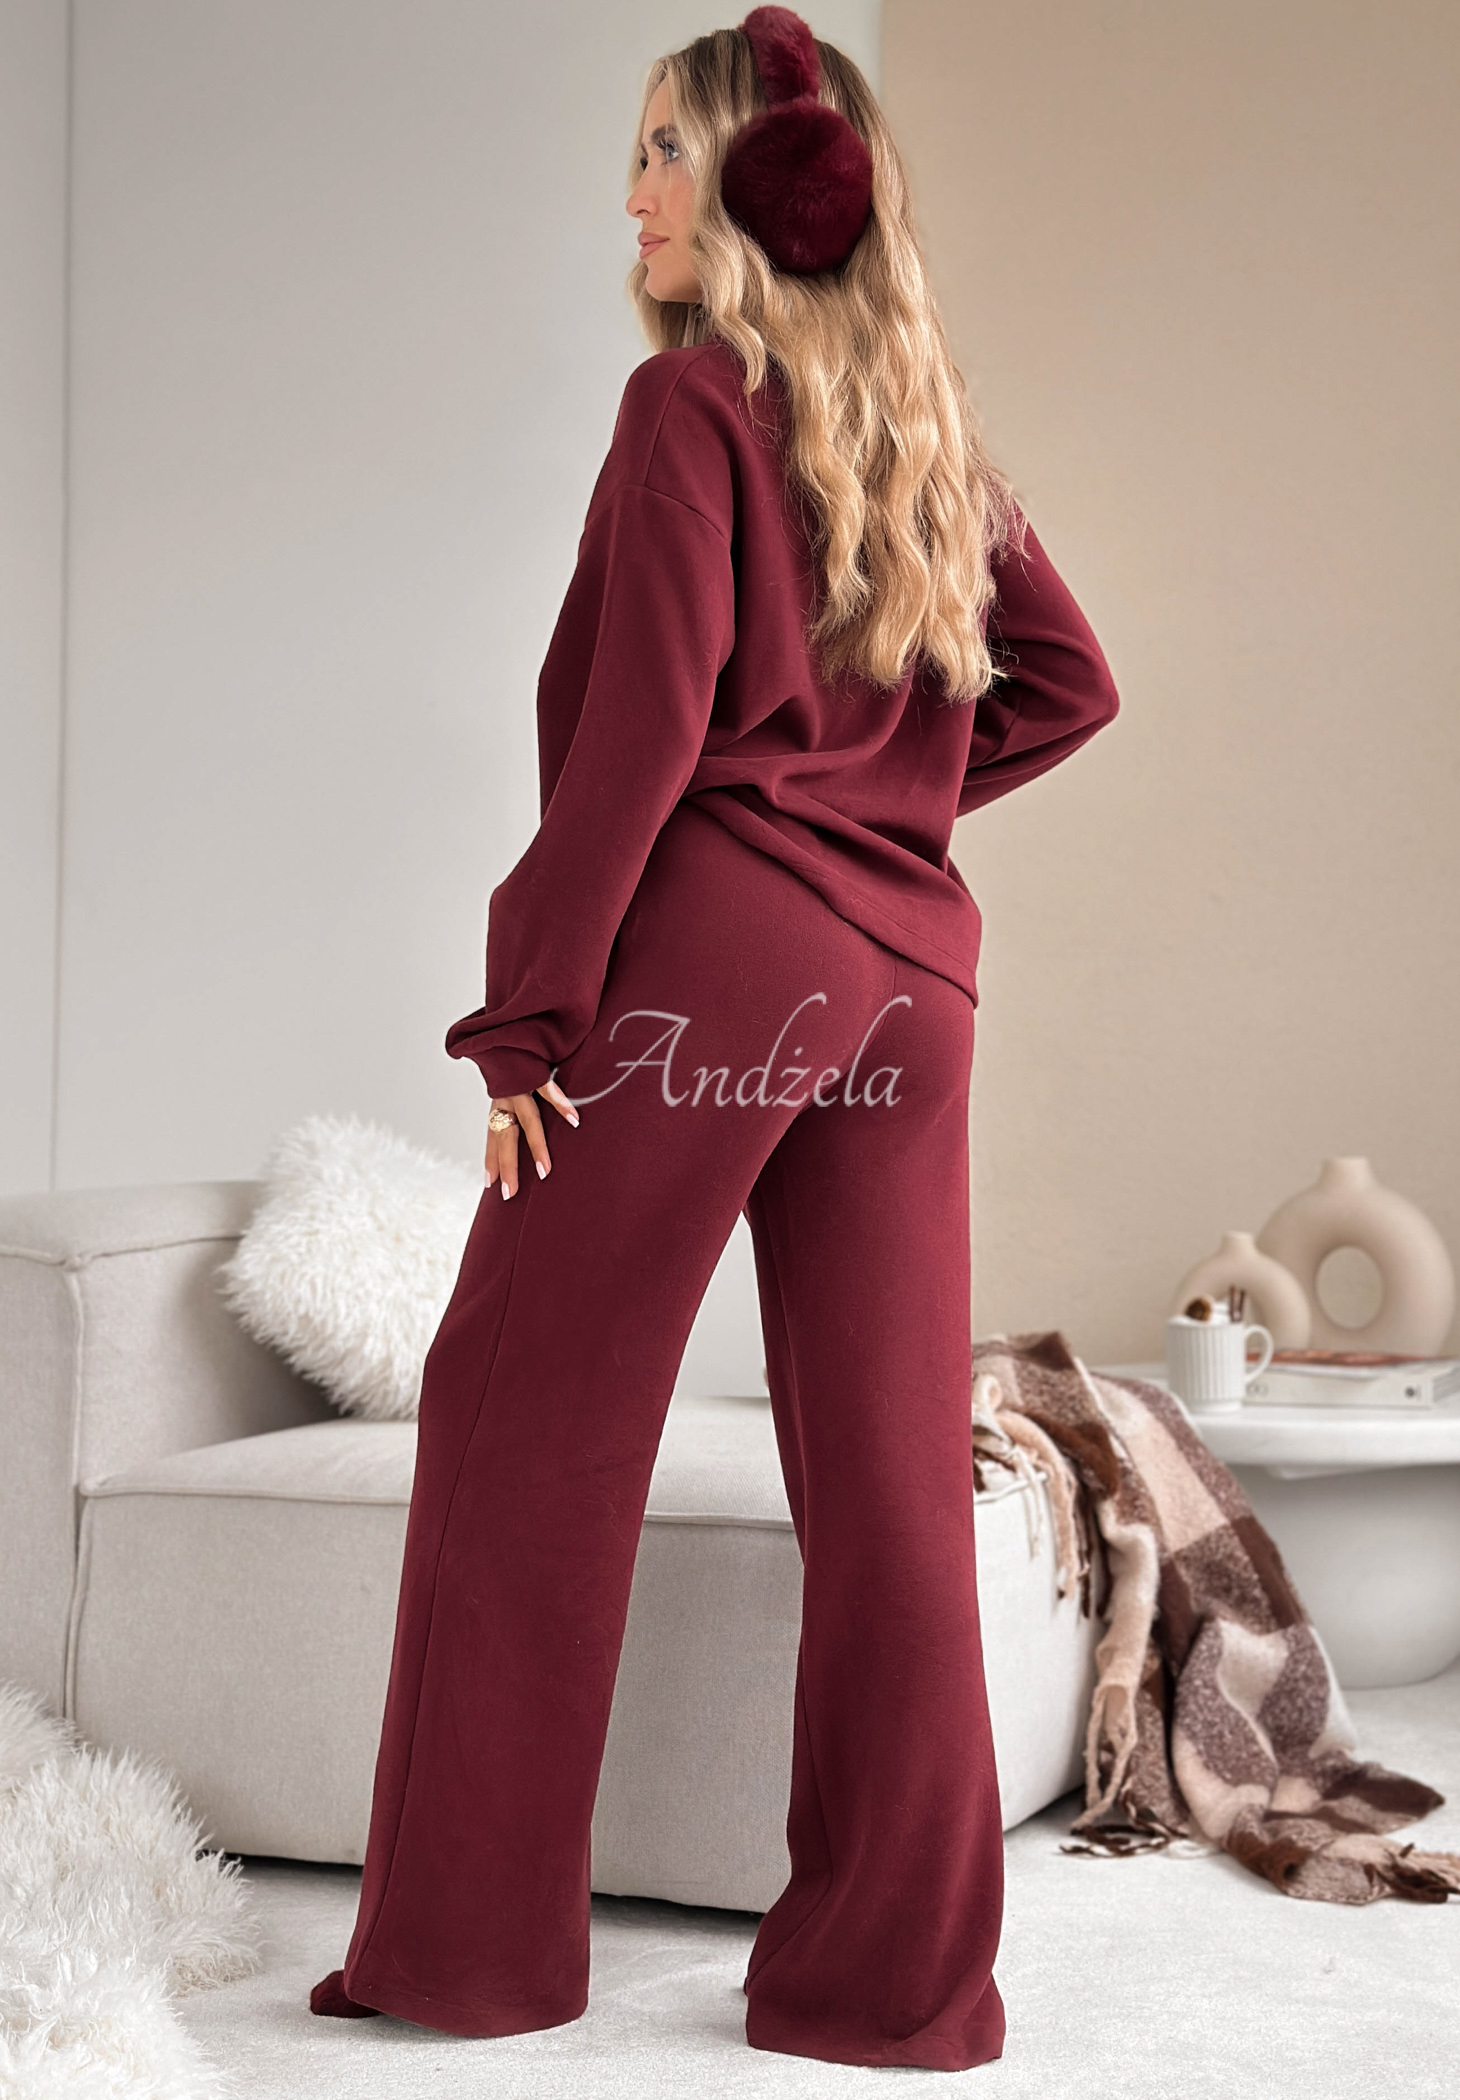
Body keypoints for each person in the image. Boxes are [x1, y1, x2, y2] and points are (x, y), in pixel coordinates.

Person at [310, 4, 1119, 2072]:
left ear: (761, 192)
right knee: (887, 1478)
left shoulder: (688, 406)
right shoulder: (921, 431)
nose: (633, 195)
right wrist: (881, 806)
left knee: (525, 1412)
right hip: (914, 989)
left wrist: (528, 1021)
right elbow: (1066, 680)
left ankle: (469, 1959)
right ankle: (896, 1992)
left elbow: (639, 739)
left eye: (667, 152)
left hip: (719, 975)